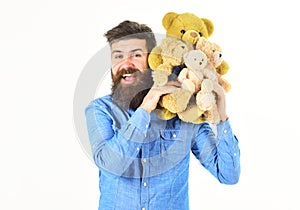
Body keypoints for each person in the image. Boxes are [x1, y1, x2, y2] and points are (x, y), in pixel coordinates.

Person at [85, 20, 240, 210]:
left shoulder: (184, 112)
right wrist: (145, 108)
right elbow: (112, 165)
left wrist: (221, 115)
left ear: (152, 60)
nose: (126, 64)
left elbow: (228, 175)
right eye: (118, 56)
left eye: (136, 55)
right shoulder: (100, 110)